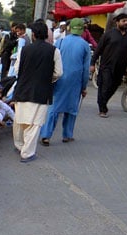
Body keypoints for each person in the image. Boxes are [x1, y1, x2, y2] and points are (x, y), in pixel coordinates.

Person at [12, 20, 63, 163]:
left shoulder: (24, 50)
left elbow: (16, 70)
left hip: (22, 89)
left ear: (33, 34)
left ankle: (19, 145)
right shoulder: (54, 51)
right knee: (35, 124)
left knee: (20, 120)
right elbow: (59, 73)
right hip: (42, 92)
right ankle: (27, 153)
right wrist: (48, 78)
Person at [40, 18, 91, 146]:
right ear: (83, 29)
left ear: (69, 28)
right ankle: (67, 135)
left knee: (53, 108)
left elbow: (51, 61)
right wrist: (84, 86)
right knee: (72, 108)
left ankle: (46, 135)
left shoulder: (60, 42)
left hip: (59, 79)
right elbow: (86, 70)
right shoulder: (85, 45)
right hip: (75, 81)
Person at [90, 13, 127, 118]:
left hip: (120, 67)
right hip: (106, 66)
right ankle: (102, 109)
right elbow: (98, 50)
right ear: (117, 22)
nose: (126, 23)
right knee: (105, 86)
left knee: (114, 87)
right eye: (124, 21)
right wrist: (92, 63)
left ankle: (103, 102)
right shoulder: (109, 34)